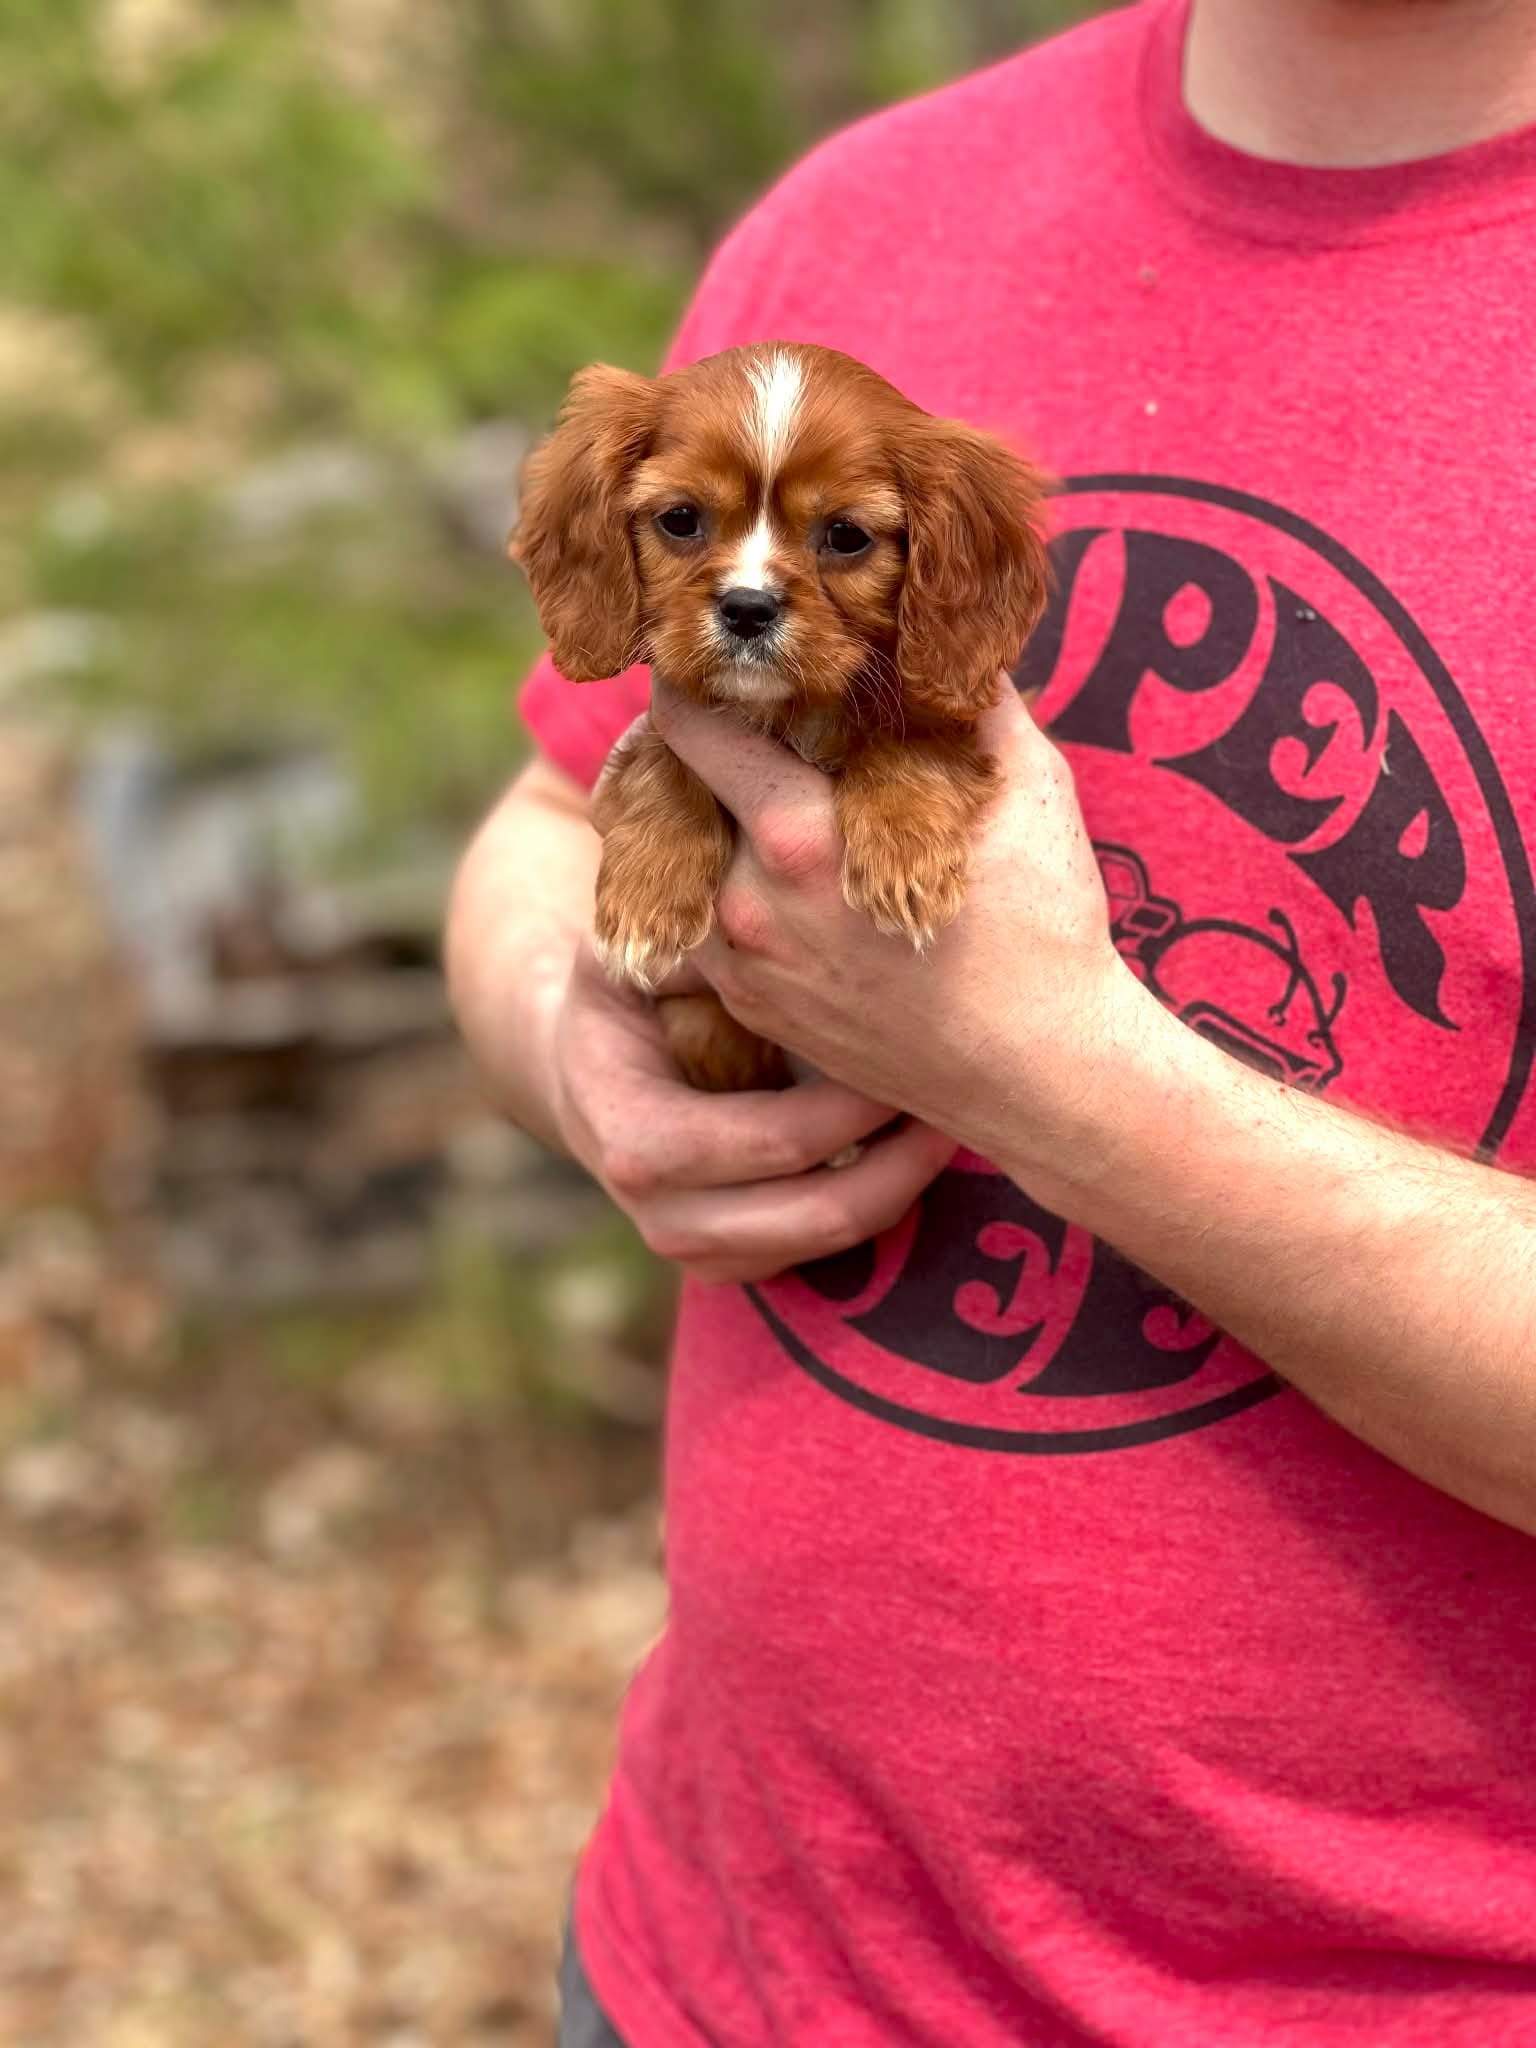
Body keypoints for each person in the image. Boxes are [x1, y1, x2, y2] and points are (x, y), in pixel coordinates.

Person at [447, 0, 1536, 2040]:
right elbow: (537, 811)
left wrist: (1046, 1069)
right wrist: (569, 1032)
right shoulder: (861, 211)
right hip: (713, 1962)